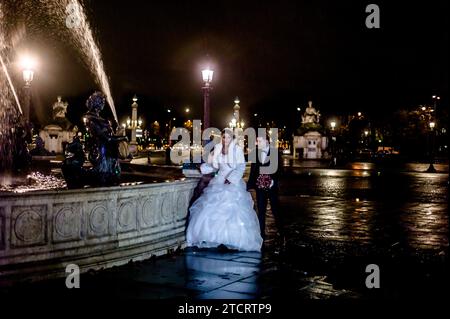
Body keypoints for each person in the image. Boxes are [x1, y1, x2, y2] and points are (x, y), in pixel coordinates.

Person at [186, 129, 263, 252]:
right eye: (223, 137)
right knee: (211, 209)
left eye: (227, 137)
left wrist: (231, 179)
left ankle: (232, 239)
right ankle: (213, 237)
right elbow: (213, 166)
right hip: (219, 180)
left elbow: (241, 167)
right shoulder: (217, 149)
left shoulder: (237, 150)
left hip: (233, 182)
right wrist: (203, 168)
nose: (225, 140)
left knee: (232, 210)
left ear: (231, 139)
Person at [247, 131, 285, 243]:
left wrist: (272, 181)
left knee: (275, 209)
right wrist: (251, 184)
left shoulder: (275, 153)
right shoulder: (255, 153)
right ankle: (261, 232)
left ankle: (281, 230)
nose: (257, 143)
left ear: (267, 141)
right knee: (261, 209)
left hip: (272, 187)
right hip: (260, 187)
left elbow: (279, 170)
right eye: (257, 141)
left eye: (260, 141)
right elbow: (253, 170)